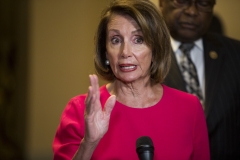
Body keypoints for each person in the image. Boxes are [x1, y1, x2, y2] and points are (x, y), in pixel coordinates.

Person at [52, 0, 210, 159]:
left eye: (138, 39)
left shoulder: (190, 108)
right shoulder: (80, 110)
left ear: (155, 49)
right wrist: (90, 143)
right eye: (116, 40)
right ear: (106, 52)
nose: (125, 52)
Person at [159, 0, 240, 159]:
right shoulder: (143, 58)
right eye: (181, 1)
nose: (192, 11)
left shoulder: (235, 54)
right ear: (162, 2)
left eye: (203, 3)